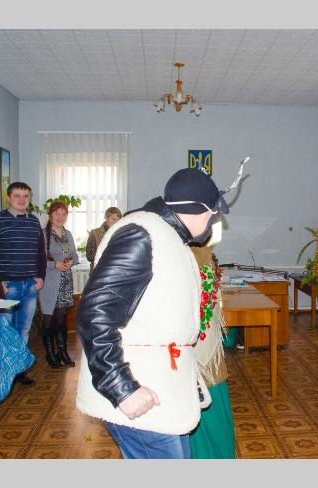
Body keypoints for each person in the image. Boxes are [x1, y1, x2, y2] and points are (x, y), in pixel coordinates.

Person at [75, 167, 232, 459]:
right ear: (200, 210)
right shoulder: (140, 234)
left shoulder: (169, 236)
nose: (214, 221)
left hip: (162, 390)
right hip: (138, 391)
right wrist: (121, 388)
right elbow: (94, 314)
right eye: (213, 214)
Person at [0, 182, 46, 386]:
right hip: (7, 286)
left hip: (30, 285)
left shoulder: (34, 221)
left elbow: (40, 252)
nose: (21, 199)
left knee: (23, 330)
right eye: (17, 195)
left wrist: (41, 276)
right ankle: (2, 373)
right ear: (8, 197)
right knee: (4, 330)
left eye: (25, 196)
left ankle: (18, 371)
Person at [188, 244, 236, 459]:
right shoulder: (204, 256)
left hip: (200, 354)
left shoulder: (193, 257)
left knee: (205, 407)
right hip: (204, 352)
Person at [38, 201, 80, 368]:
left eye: (64, 214)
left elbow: (75, 255)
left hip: (65, 281)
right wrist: (54, 265)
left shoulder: (68, 234)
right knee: (49, 319)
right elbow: (38, 260)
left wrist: (70, 262)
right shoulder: (43, 234)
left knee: (62, 319)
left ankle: (62, 352)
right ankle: (50, 354)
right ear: (50, 215)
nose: (60, 217)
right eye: (57, 214)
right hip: (49, 281)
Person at [85, 206, 122, 275]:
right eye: (113, 219)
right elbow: (89, 256)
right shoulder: (95, 233)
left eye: (118, 220)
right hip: (98, 272)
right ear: (106, 218)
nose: (116, 222)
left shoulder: (122, 234)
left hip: (116, 273)